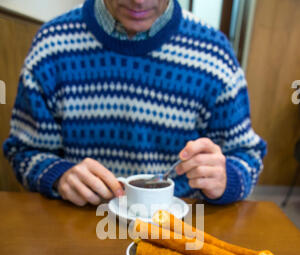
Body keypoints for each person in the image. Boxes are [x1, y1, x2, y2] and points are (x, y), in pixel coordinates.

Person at [3, 0, 266, 207]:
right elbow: (23, 152)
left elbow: (248, 157)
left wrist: (226, 178)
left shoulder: (214, 52)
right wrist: (58, 175)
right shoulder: (52, 44)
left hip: (178, 228)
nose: (139, 1)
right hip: (81, 220)